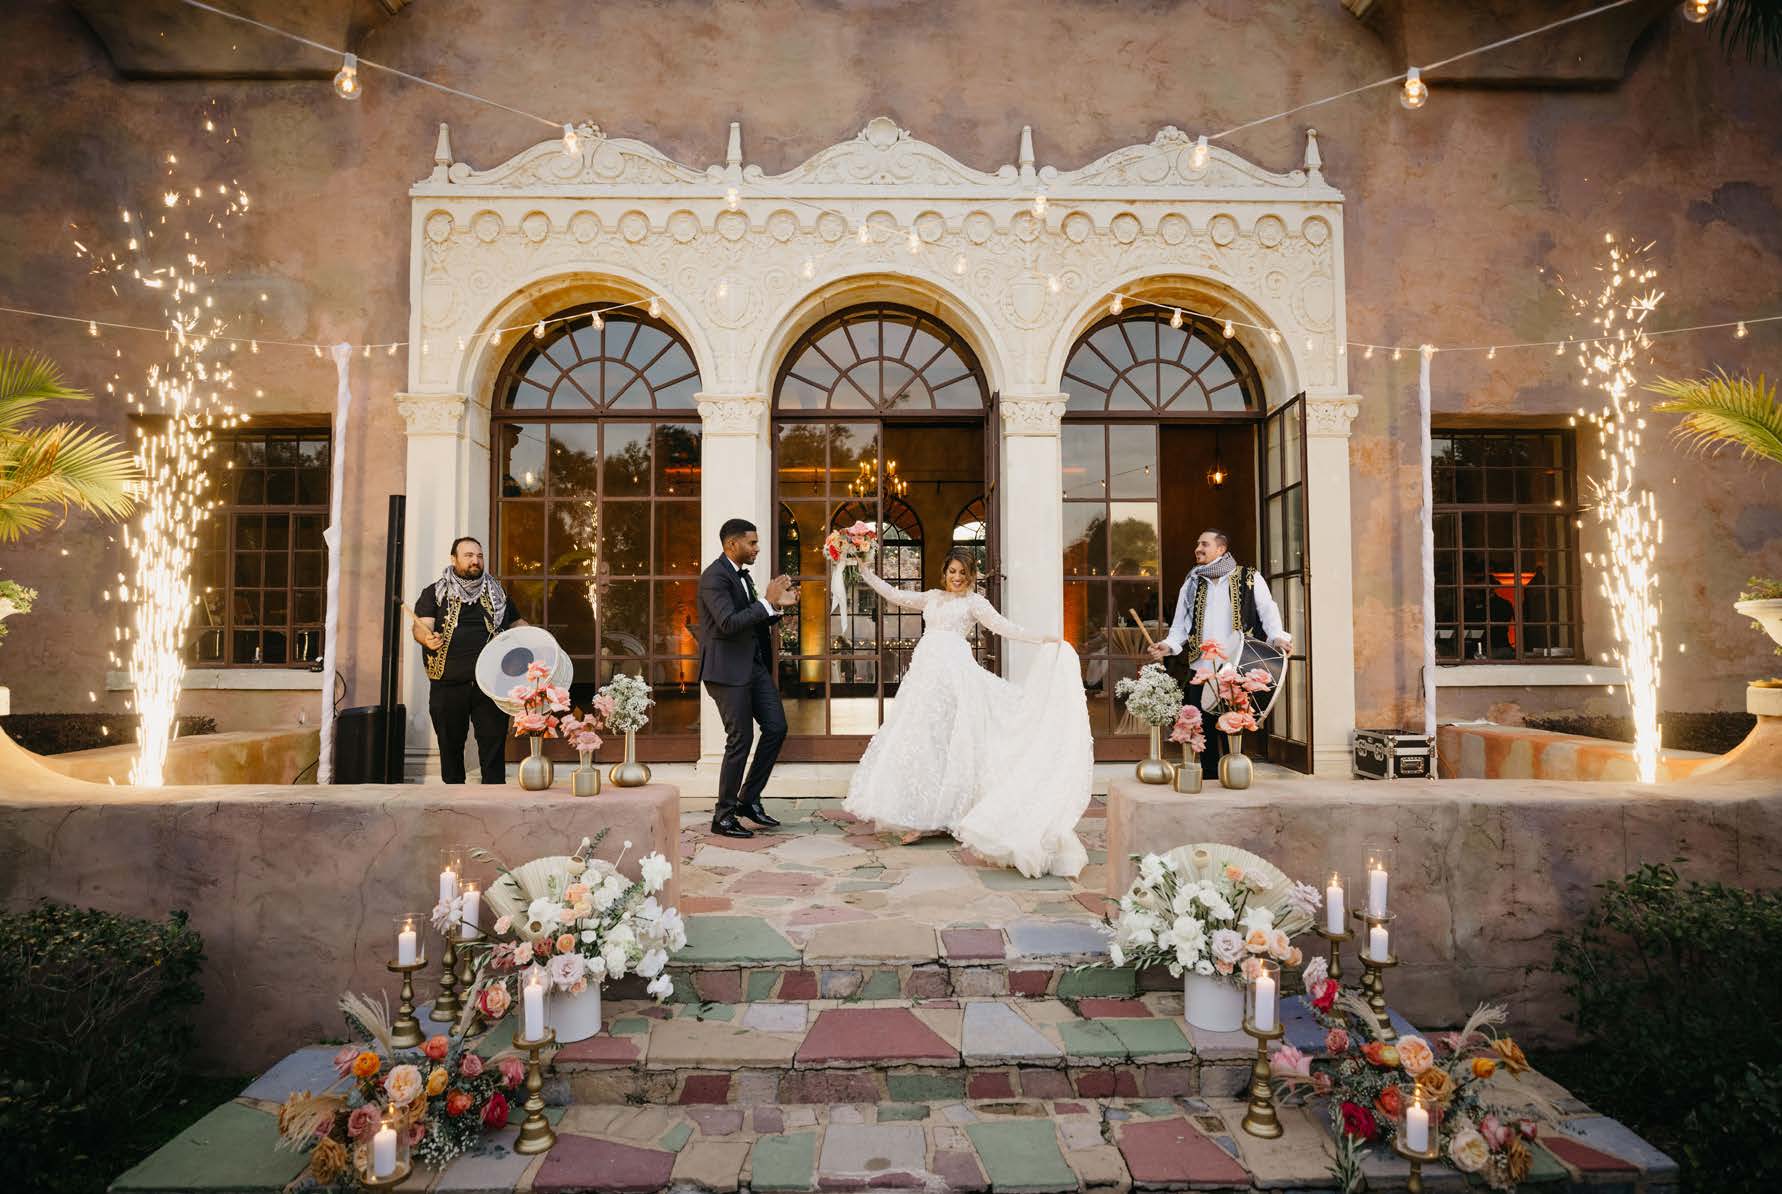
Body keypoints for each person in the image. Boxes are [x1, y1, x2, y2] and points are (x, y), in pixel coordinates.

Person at [845, 547, 1094, 878]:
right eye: (952, 572)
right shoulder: (932, 598)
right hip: (924, 679)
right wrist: (864, 570)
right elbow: (893, 594)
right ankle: (919, 818)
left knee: (953, 741)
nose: (957, 578)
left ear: (971, 575)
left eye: (963, 573)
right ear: (944, 573)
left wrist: (1043, 639)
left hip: (955, 680)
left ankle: (950, 814)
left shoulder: (974, 603)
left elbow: (1004, 627)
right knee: (920, 740)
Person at [1147, 528, 1291, 777]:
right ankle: (1212, 777)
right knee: (1203, 728)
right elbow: (1181, 625)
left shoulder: (1249, 577)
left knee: (1234, 725)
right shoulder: (1192, 581)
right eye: (1197, 544)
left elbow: (1268, 610)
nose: (1197, 549)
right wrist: (1168, 646)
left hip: (1238, 666)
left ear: (1220, 549)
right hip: (1201, 667)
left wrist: (1278, 636)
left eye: (1204, 544)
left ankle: (1235, 777)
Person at [698, 518, 798, 839]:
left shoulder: (742, 576)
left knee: (776, 727)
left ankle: (748, 799)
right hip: (726, 671)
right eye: (752, 543)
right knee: (739, 740)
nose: (757, 548)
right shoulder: (714, 578)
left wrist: (775, 609)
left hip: (753, 667)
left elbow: (750, 620)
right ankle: (723, 816)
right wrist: (766, 601)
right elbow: (727, 623)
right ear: (732, 545)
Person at [413, 537, 527, 784]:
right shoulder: (434, 592)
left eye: (479, 555)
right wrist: (427, 639)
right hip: (449, 684)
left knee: (493, 750)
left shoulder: (498, 593)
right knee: (450, 749)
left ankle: (493, 805)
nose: (475, 560)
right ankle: (453, 809)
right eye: (468, 555)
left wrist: (537, 642)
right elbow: (421, 627)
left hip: (491, 686)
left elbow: (519, 625)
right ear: (453, 559)